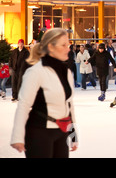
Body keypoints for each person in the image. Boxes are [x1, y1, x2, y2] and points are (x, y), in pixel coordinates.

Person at [10, 28, 78, 158]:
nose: (68, 49)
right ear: (51, 47)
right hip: (38, 132)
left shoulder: (66, 72)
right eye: (63, 45)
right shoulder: (36, 72)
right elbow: (23, 105)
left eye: (68, 45)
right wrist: (17, 137)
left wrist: (73, 135)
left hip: (61, 132)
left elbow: (69, 105)